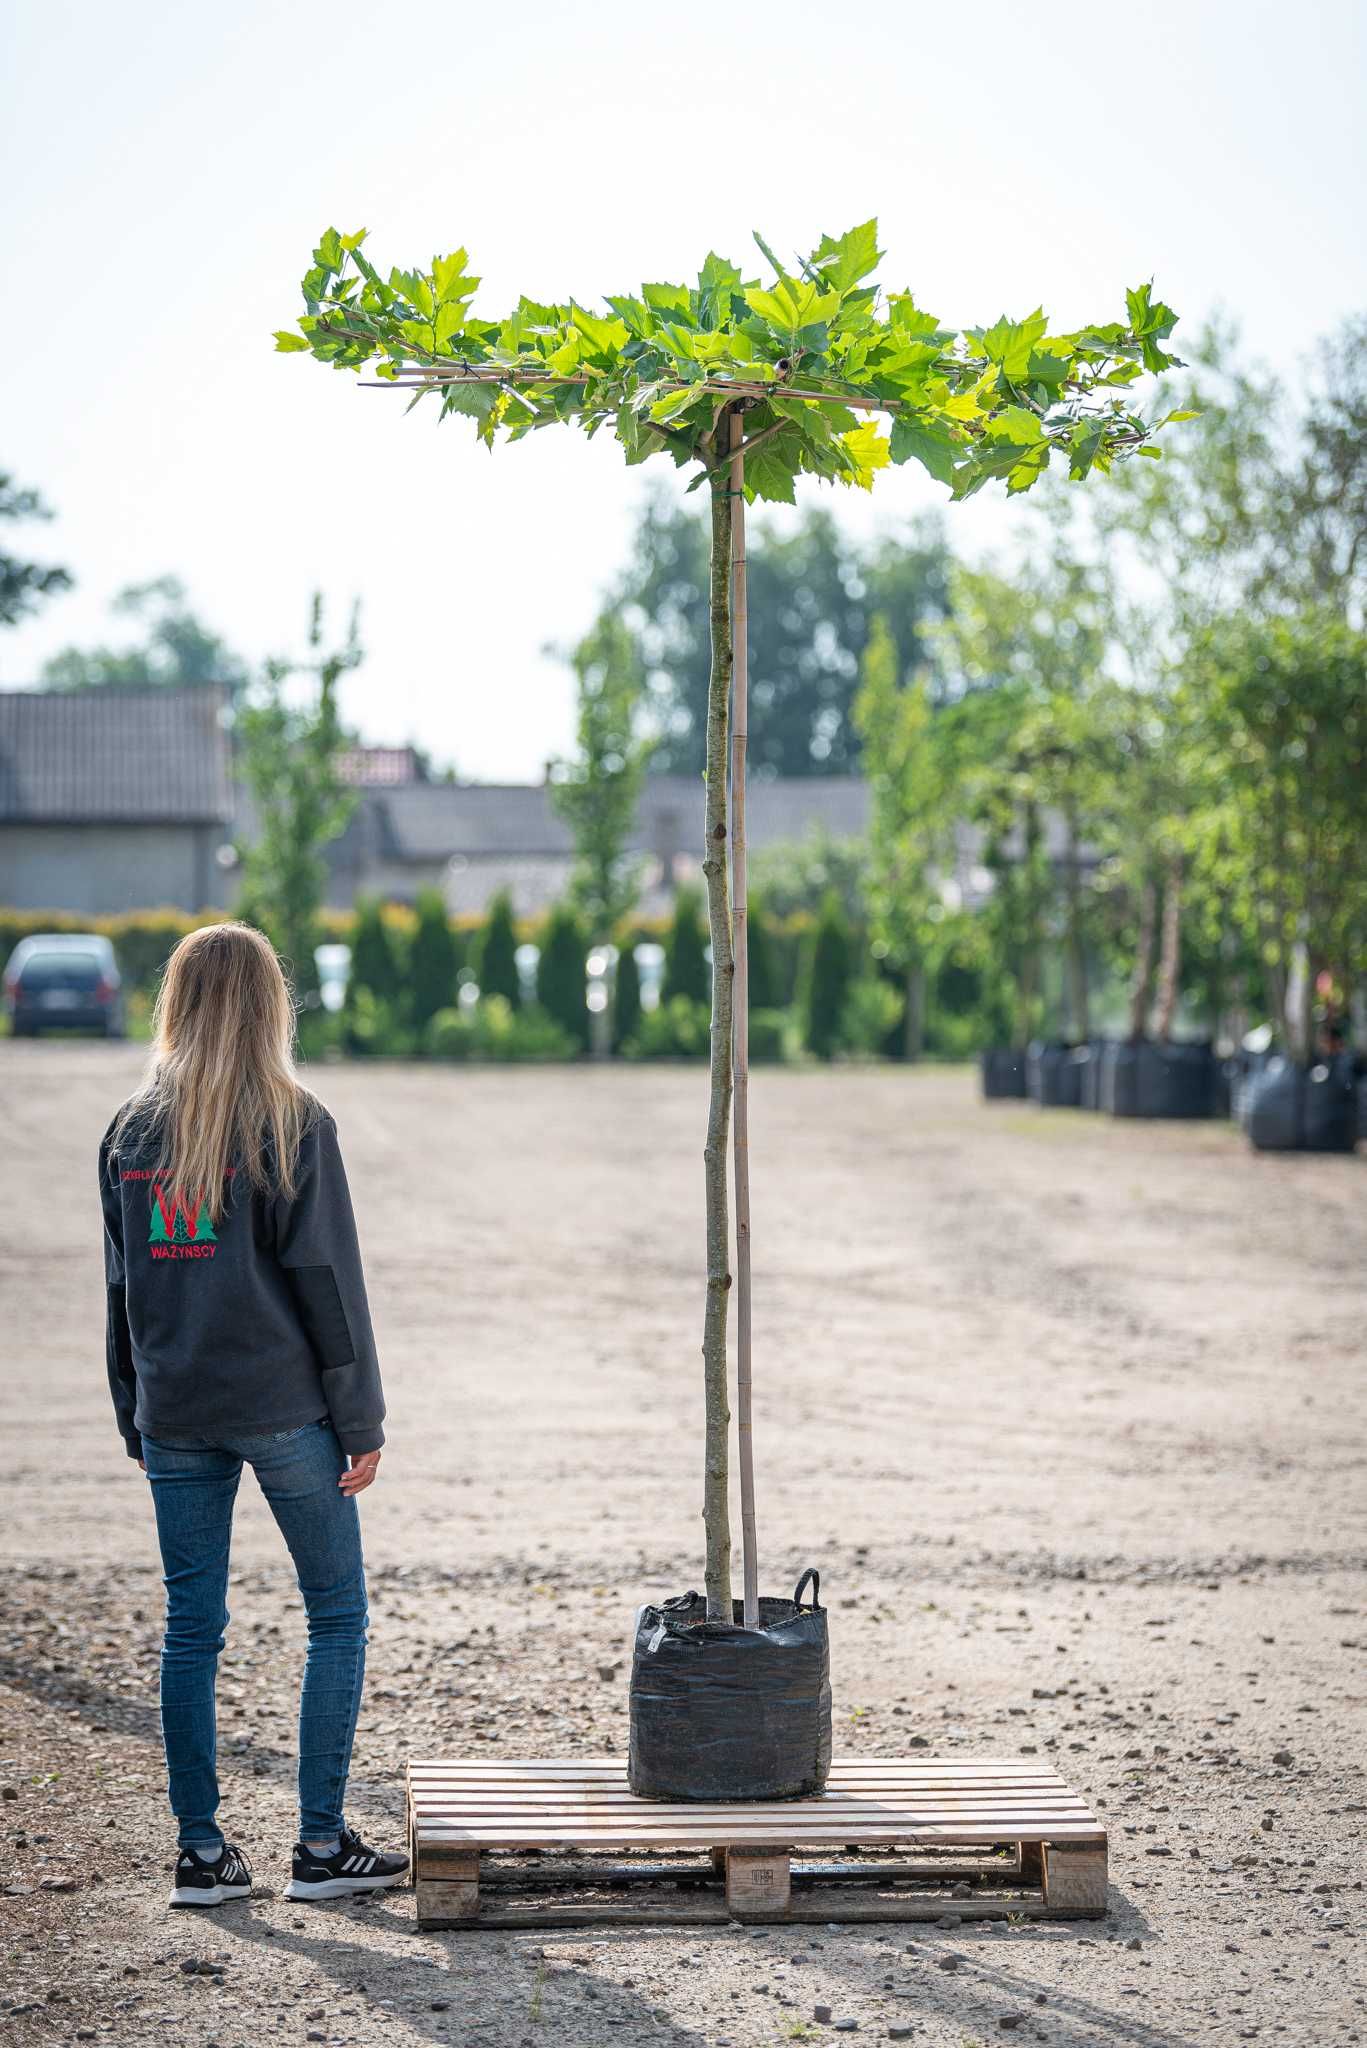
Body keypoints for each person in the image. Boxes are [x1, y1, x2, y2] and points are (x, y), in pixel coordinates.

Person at [99, 922, 408, 1910]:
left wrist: (132, 1413)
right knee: (337, 1613)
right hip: (284, 1410)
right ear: (268, 1003)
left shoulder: (127, 1133)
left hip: (176, 1411)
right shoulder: (293, 1122)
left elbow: (122, 1290)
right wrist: (359, 1416)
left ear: (176, 1002)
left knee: (191, 1625)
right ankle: (319, 1844)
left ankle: (201, 1853)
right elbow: (326, 1284)